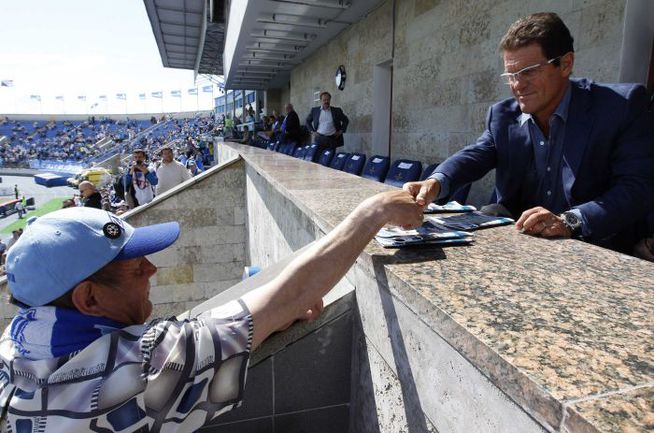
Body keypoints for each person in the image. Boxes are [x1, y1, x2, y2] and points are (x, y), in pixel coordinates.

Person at [0, 190, 422, 432]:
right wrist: (375, 212)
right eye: (135, 268)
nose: (152, 269)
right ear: (89, 299)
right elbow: (293, 295)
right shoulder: (138, 365)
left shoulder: (13, 346)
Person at [403, 12, 654, 254]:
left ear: (565, 64)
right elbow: (476, 155)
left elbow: (637, 187)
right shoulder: (502, 116)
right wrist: (435, 183)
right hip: (523, 241)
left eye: (529, 71)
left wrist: (570, 221)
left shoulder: (620, 107)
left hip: (593, 245)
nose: (517, 85)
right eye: (511, 75)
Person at [306, 91, 349, 160]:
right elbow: (307, 121)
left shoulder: (337, 111)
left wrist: (341, 131)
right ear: (321, 100)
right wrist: (312, 132)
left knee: (329, 159)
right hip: (319, 139)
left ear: (330, 100)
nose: (326, 101)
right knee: (317, 159)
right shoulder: (314, 111)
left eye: (328, 100)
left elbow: (345, 120)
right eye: (324, 100)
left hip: (332, 139)